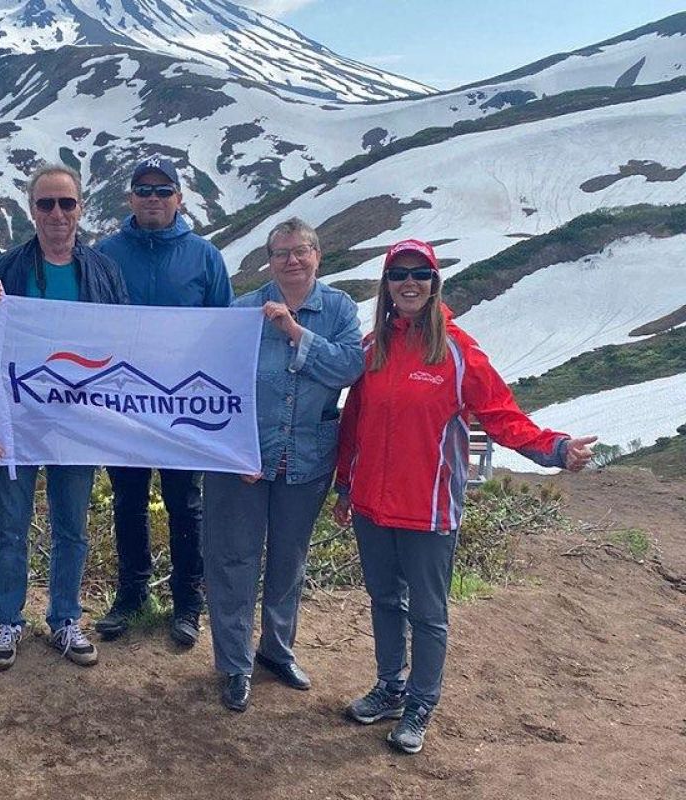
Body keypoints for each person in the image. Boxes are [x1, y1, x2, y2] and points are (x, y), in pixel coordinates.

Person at [334, 238, 596, 754]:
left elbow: (502, 416)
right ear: (386, 285)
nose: (409, 282)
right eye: (399, 273)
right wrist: (345, 486)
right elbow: (353, 423)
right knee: (385, 600)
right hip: (371, 504)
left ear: (434, 284)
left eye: (420, 273)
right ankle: (390, 687)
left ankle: (420, 703)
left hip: (427, 508)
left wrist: (555, 448)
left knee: (428, 613)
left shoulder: (459, 351)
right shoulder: (373, 347)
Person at [201, 218, 364, 712]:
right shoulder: (242, 309)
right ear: (268, 260)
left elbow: (350, 367)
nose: (291, 261)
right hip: (243, 460)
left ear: (318, 254)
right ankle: (234, 665)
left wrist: (296, 333)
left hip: (307, 459)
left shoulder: (338, 309)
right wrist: (237, 448)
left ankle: (276, 650)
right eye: (281, 253)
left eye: (301, 251)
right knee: (233, 561)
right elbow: (218, 383)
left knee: (288, 560)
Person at [0, 163, 128, 671]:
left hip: (77, 422)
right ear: (32, 209)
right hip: (17, 419)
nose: (57, 213)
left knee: (72, 527)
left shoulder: (103, 271)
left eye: (66, 203)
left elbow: (122, 341)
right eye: (46, 204)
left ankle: (64, 618)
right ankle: (8, 620)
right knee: (10, 526)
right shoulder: (5, 268)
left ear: (81, 208)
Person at [94, 155, 233, 647]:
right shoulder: (105, 253)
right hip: (124, 401)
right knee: (127, 501)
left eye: (162, 190)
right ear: (130, 198)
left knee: (185, 503)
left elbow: (223, 329)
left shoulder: (204, 257)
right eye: (144, 190)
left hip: (182, 406)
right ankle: (131, 595)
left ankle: (187, 602)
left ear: (179, 197)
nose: (153, 199)